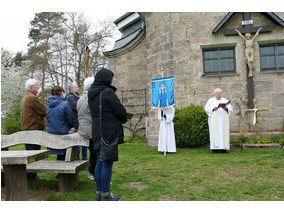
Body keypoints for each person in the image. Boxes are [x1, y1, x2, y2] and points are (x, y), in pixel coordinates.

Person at [88, 68, 127, 201]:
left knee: (100, 161)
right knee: (107, 163)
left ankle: (99, 194)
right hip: (108, 131)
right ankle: (105, 195)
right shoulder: (107, 92)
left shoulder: (91, 93)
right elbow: (121, 112)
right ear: (106, 79)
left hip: (97, 131)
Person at [21, 79, 46, 180]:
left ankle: (30, 176)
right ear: (31, 87)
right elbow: (43, 111)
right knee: (34, 154)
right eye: (37, 85)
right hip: (33, 130)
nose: (39, 86)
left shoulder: (26, 97)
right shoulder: (32, 98)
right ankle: (31, 176)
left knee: (30, 153)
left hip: (27, 130)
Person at [46, 86, 75, 160]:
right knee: (66, 155)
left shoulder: (48, 106)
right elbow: (71, 119)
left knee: (61, 156)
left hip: (52, 134)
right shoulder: (65, 104)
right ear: (61, 92)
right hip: (63, 133)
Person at [77, 77, 97, 180]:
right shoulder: (91, 99)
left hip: (82, 130)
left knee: (93, 152)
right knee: (95, 153)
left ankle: (92, 171)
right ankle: (92, 172)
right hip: (90, 130)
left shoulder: (81, 98)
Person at [204, 88, 233, 153]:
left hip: (223, 120)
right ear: (214, 94)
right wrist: (213, 109)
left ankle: (224, 148)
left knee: (224, 132)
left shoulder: (224, 100)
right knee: (214, 132)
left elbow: (231, 109)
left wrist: (226, 108)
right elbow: (206, 108)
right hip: (215, 120)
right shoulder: (210, 101)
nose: (219, 96)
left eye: (220, 94)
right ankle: (215, 149)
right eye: (218, 94)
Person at [65, 82, 86, 160]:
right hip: (75, 123)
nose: (78, 88)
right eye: (77, 87)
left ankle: (83, 158)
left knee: (81, 142)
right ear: (72, 89)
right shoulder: (70, 97)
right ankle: (78, 159)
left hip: (77, 122)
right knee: (78, 143)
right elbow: (77, 106)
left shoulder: (73, 97)